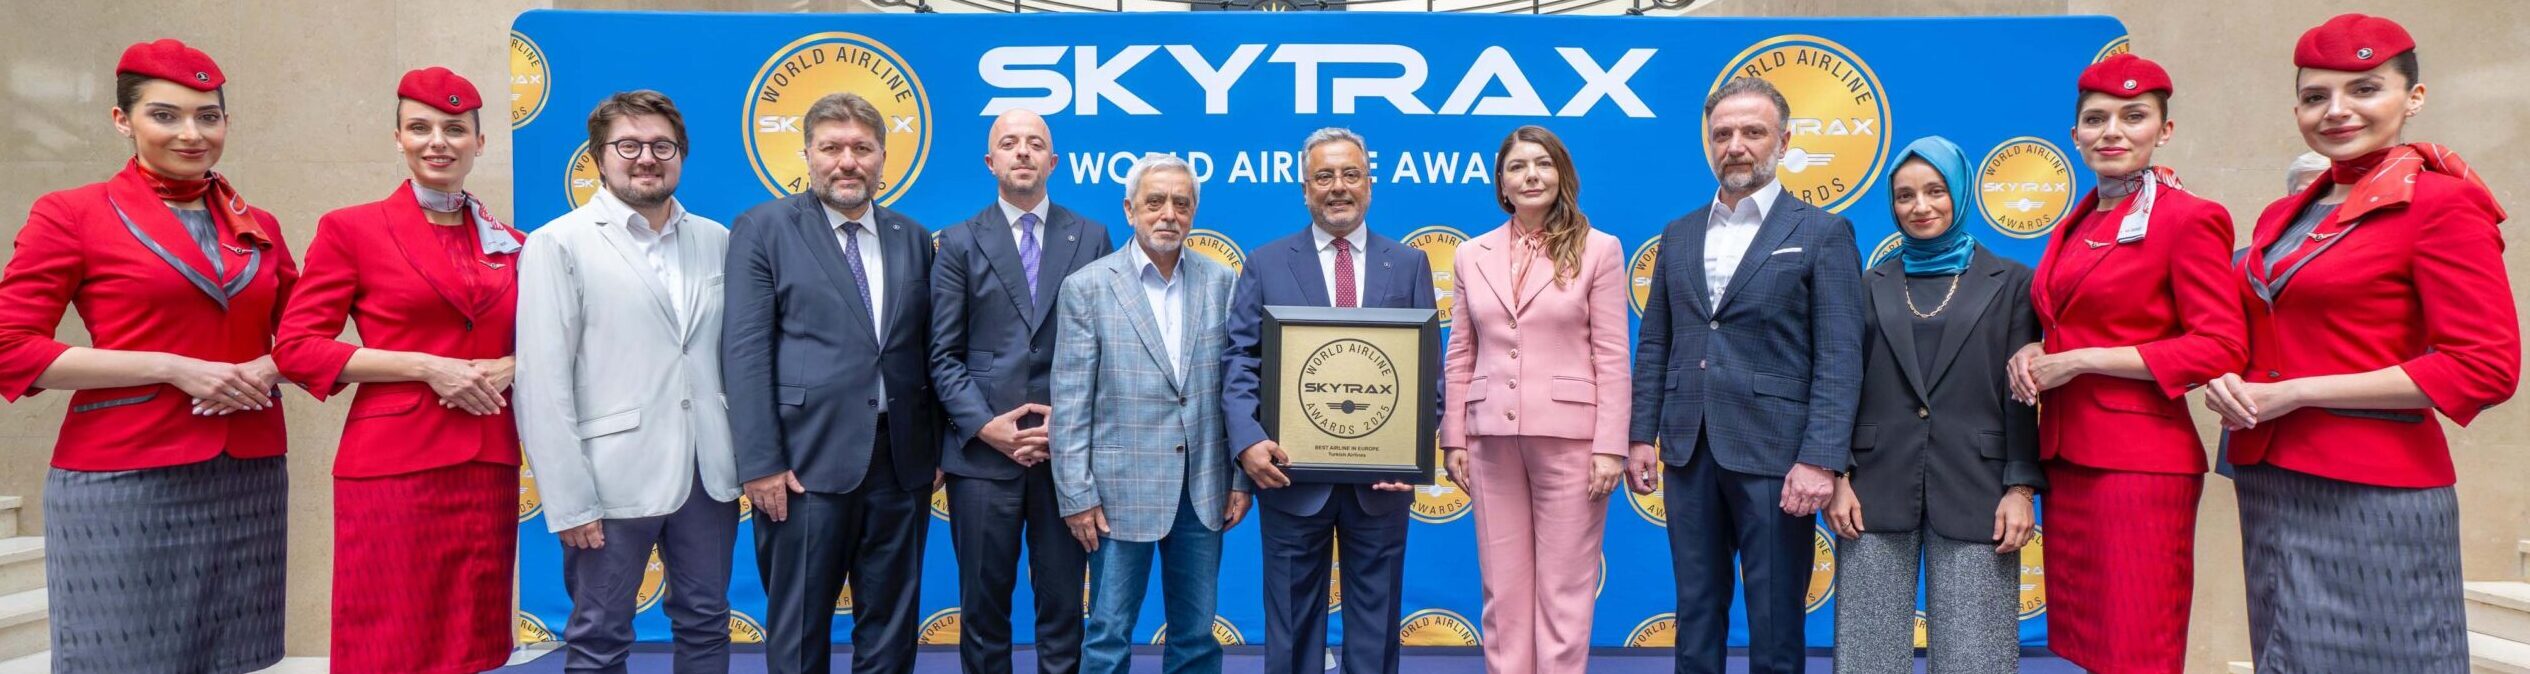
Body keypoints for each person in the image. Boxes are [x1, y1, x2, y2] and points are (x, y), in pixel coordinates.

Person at [2208, 14, 2517, 671]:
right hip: (2271, 480)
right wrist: (2225, 373)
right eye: (2315, 96)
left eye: (2364, 89)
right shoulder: (2284, 213)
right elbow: (2264, 328)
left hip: (2373, 487)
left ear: (2414, 97)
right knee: (2286, 655)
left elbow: (2484, 367)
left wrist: (2298, 393)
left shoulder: (2443, 204)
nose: (2336, 110)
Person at [0, 39, 295, 674]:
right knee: (120, 657)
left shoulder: (259, 224)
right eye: (165, 115)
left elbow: (303, 334)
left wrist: (270, 365)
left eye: (207, 116)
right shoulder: (71, 214)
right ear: (122, 120)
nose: (191, 133)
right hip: (124, 475)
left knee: (230, 659)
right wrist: (170, 366)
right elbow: (11, 347)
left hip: (246, 475)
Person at [270, 67, 523, 674]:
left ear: (479, 142)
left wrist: (514, 364)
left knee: (472, 634)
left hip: (486, 458)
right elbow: (297, 347)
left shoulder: (513, 242)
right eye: (420, 128)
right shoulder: (352, 229)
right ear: (398, 138)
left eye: (455, 129)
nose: (438, 142)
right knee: (388, 634)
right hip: (393, 464)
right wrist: (425, 367)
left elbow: (551, 340)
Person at [2007, 53, 2245, 674]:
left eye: (2133, 116)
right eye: (2096, 119)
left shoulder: (2189, 218)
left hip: (2139, 464)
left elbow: (2220, 346)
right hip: (2068, 458)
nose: (2111, 131)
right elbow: (2067, 321)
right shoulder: (2078, 219)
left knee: (2138, 644)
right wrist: (2038, 348)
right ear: (2075, 134)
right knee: (2091, 646)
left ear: (2164, 130)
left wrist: (2080, 361)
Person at [1625, 78, 1865, 674]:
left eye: (1752, 132)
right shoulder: (1678, 233)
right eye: (1722, 134)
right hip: (1688, 449)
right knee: (1695, 613)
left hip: (1778, 457)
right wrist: (1639, 435)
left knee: (1776, 619)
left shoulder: (1822, 232)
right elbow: (1656, 343)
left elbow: (1840, 356)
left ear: (1783, 141)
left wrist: (1821, 459)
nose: (1735, 145)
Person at [515, 90, 742, 674]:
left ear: (681, 155)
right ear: (598, 157)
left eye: (662, 146)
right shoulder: (558, 243)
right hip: (607, 480)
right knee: (599, 635)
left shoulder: (717, 239)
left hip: (708, 475)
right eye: (629, 145)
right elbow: (542, 382)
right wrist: (569, 500)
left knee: (707, 623)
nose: (647, 158)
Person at [724, 91, 941, 674]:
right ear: (807, 155)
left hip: (901, 464)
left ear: (883, 158)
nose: (848, 162)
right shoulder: (763, 228)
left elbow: (926, 350)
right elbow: (744, 353)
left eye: (862, 149)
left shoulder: (913, 237)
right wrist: (761, 462)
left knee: (892, 630)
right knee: (799, 629)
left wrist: (934, 448)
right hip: (802, 465)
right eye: (832, 148)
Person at [1824, 136, 2040, 674]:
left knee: (1976, 659)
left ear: (1960, 192)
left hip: (1979, 487)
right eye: (1905, 196)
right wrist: (1838, 475)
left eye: (1935, 191)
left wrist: (2020, 488)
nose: (1920, 206)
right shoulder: (1868, 284)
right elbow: (1842, 382)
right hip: (1872, 487)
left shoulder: (2013, 282)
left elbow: (2022, 396)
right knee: (1867, 659)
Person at [1221, 127, 1432, 674]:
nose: (1338, 187)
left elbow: (1427, 369)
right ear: (1305, 189)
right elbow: (1240, 360)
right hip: (1290, 478)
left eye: (1350, 174)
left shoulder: (1408, 264)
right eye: (1324, 176)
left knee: (1377, 629)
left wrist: (1409, 452)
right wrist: (1247, 442)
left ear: (1369, 184)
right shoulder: (1266, 263)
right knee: (1290, 630)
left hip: (1381, 483)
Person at [1436, 124, 1631, 673]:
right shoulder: (1471, 254)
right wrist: (1454, 437)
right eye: (1518, 166)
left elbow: (1613, 355)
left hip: (1573, 442)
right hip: (1489, 440)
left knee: (1565, 591)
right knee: (1502, 590)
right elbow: (1461, 351)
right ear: (1501, 182)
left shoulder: (1600, 249)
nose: (1531, 176)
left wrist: (1610, 446)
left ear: (1562, 174)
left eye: (1543, 164)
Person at [1050, 152, 1250, 674]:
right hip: (1117, 493)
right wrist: (1076, 494)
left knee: (1196, 637)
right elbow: (1070, 402)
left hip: (1202, 489)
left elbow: (1236, 390)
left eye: (1181, 204)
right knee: (1108, 636)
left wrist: (1239, 476)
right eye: (1155, 202)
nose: (1169, 214)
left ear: (1193, 212)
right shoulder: (1088, 287)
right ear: (1130, 209)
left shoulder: (1223, 282)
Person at [930, 108, 1112, 674]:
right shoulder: (958, 242)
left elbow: (1111, 349)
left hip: (1066, 460)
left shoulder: (1092, 236)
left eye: (1035, 143)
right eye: (1010, 143)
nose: (1023, 151)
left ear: (1053, 161)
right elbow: (941, 355)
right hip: (983, 460)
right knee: (983, 612)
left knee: (1064, 609)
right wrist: (987, 427)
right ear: (991, 161)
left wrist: (1067, 424)